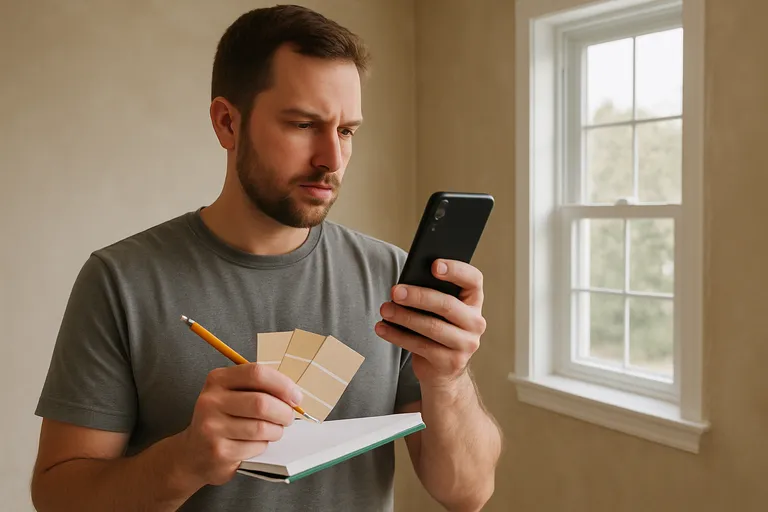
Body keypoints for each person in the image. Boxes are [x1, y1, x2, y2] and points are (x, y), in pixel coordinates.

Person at [30, 5, 502, 511]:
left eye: (346, 131)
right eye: (303, 124)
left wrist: (448, 380)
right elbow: (60, 497)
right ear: (227, 123)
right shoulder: (120, 281)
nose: (332, 159)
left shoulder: (392, 278)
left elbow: (467, 493)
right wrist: (185, 460)